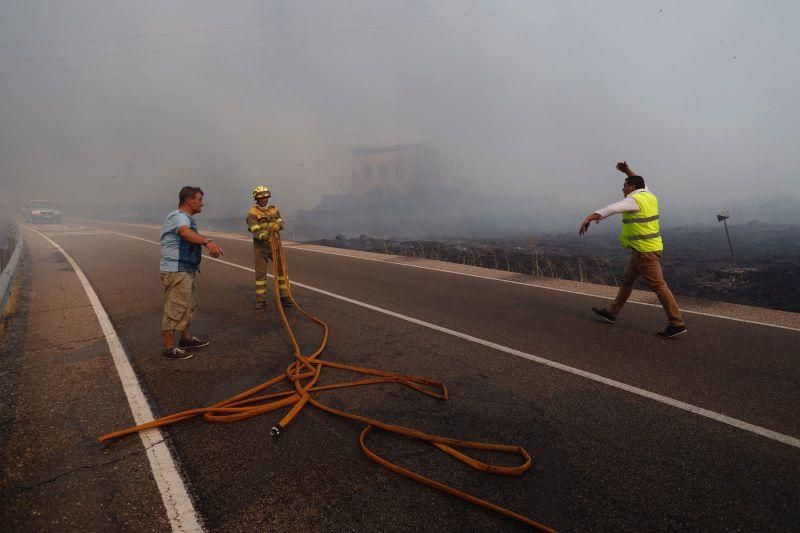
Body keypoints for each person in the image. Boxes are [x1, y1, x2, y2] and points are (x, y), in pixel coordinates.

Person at [579, 161, 687, 338]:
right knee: (627, 281)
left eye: (625, 186)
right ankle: (612, 312)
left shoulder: (634, 200)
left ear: (632, 187)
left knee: (659, 286)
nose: (622, 189)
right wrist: (627, 171)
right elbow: (641, 182)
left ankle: (676, 322)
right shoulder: (649, 195)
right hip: (644, 249)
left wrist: (589, 218)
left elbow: (611, 208)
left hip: (645, 251)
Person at [160, 186, 224, 359]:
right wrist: (207, 242)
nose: (202, 203)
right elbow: (184, 233)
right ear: (190, 200)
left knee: (187, 306)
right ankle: (168, 347)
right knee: (175, 307)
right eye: (200, 199)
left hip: (186, 269)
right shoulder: (179, 217)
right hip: (176, 269)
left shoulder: (185, 218)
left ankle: (185, 339)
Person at [247, 185, 291, 309]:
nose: (264, 200)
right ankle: (260, 300)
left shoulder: (274, 209)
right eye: (261, 198)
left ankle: (285, 297)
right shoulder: (252, 212)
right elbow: (254, 229)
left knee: (282, 271)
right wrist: (264, 235)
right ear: (256, 199)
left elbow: (281, 222)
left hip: (275, 244)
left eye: (266, 197)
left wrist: (278, 226)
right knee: (260, 274)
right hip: (261, 247)